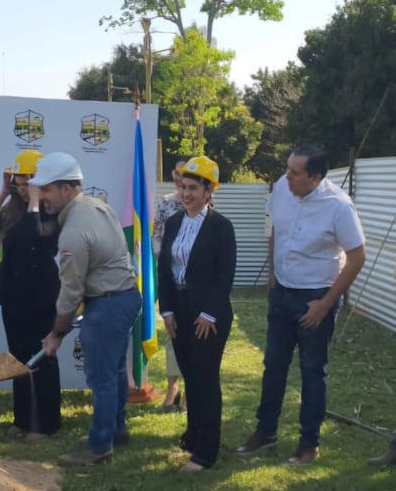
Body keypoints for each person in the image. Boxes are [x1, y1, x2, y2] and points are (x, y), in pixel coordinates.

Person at [236, 145, 366, 465]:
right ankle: (266, 432)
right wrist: (272, 276)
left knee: (312, 372)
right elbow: (276, 229)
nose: (287, 177)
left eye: (295, 173)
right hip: (282, 294)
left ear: (316, 177)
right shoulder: (282, 188)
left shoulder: (339, 206)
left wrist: (324, 305)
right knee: (274, 366)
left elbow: (357, 256)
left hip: (315, 298)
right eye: (287, 169)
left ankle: (309, 444)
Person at [34, 152, 141, 467]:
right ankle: (115, 430)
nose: (42, 198)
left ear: (68, 189)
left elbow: (70, 293)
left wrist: (56, 334)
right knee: (116, 371)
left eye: (48, 190)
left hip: (108, 304)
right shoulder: (97, 205)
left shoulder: (74, 231)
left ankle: (99, 449)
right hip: (123, 297)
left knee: (102, 378)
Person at [157, 156, 236, 472]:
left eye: (193, 188)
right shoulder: (174, 222)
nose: (186, 194)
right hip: (181, 310)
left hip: (209, 316)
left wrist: (210, 314)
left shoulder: (221, 227)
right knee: (190, 375)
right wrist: (168, 311)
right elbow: (164, 270)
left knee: (205, 379)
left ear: (209, 191)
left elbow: (224, 276)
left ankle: (206, 451)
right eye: (183, 187)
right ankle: (193, 435)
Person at [0, 150, 61, 440]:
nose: (23, 190)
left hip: (41, 297)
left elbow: (38, 235)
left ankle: (47, 423)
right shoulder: (12, 209)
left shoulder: (51, 210)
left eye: (28, 184)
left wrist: (36, 201)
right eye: (19, 184)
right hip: (13, 297)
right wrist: (3, 193)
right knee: (18, 359)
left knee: (42, 359)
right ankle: (23, 418)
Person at [152, 159, 187, 411]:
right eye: (177, 173)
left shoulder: (207, 206)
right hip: (170, 279)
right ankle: (172, 386)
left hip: (194, 283)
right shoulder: (166, 204)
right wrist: (165, 262)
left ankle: (190, 393)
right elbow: (157, 238)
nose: (181, 178)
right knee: (172, 333)